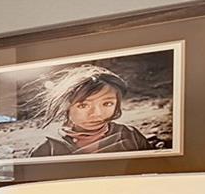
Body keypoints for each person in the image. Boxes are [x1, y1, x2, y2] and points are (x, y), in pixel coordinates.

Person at [25, 64, 158, 158]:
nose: (97, 113)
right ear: (66, 106)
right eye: (83, 105)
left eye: (107, 103)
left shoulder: (130, 136)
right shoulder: (46, 150)